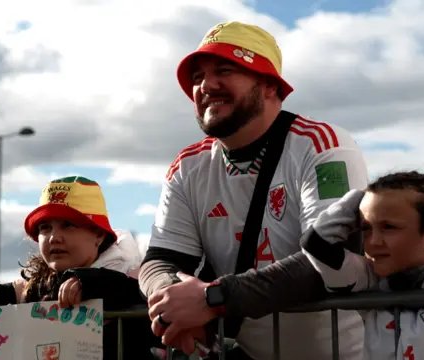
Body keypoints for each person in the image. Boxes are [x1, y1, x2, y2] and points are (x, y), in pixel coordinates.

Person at [139, 20, 368, 360]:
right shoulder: (187, 166)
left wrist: (212, 299)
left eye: (225, 70)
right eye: (197, 77)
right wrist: (172, 301)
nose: (206, 85)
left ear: (269, 86)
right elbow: (160, 259)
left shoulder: (322, 146)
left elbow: (331, 262)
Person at [0, 176, 159, 360]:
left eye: (68, 225)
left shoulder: (133, 276)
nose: (54, 238)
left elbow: (131, 291)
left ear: (98, 234)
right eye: (45, 227)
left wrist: (88, 282)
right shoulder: (36, 286)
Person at [301, 170, 424, 359]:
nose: (373, 242)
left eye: (389, 227)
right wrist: (360, 197)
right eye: (366, 228)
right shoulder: (371, 280)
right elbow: (316, 244)